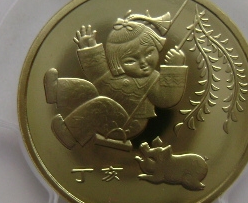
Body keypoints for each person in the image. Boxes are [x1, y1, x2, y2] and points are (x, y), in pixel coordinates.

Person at [44, 13, 188, 150]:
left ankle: (69, 134)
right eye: (131, 61)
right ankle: (56, 90)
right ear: (117, 63)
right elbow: (97, 73)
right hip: (109, 115)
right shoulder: (114, 74)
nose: (143, 63)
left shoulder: (153, 79)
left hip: (126, 126)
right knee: (87, 88)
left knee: (102, 104)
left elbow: (167, 99)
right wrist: (89, 47)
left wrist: (174, 68)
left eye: (149, 53)